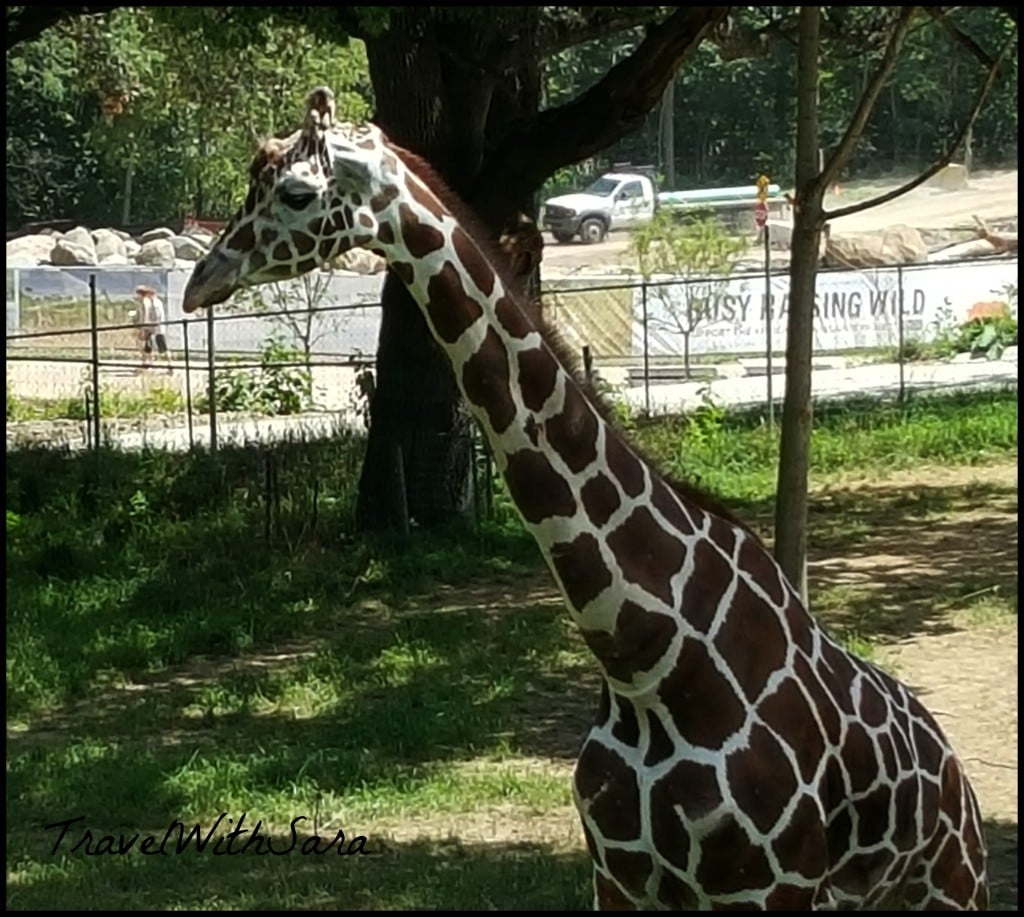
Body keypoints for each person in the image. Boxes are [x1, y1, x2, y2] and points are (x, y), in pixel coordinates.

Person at [135, 284, 172, 373]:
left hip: (154, 328)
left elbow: (146, 316)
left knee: (162, 348)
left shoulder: (149, 302)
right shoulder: (156, 302)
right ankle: (147, 364)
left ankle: (169, 365)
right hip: (154, 327)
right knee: (148, 346)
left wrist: (143, 328)